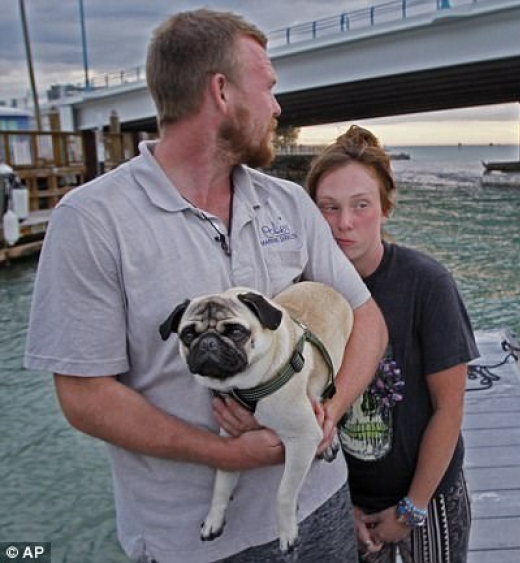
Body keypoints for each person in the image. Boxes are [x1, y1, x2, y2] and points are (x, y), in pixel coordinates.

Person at [24, 10, 386, 563]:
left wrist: (323, 414)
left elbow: (367, 320)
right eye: (268, 89)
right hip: (192, 544)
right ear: (221, 92)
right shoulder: (92, 220)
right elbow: (83, 396)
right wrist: (232, 455)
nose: (277, 108)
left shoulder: (288, 202)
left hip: (322, 505)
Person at [305, 125, 479, 563]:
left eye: (360, 205)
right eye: (329, 207)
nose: (344, 223)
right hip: (343, 503)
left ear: (384, 207)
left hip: (426, 495)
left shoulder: (427, 284)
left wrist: (413, 507)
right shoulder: (305, 295)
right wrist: (341, 507)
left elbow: (449, 408)